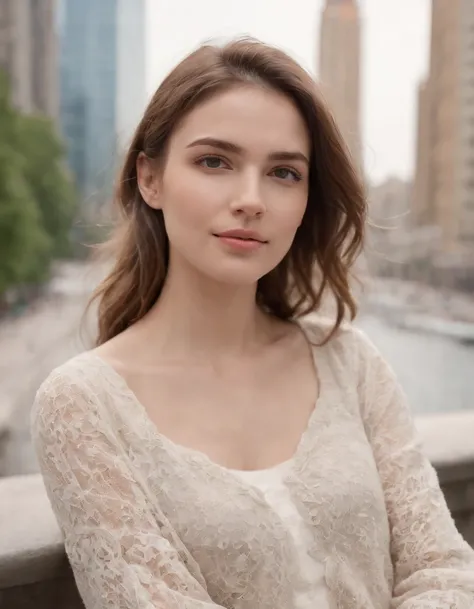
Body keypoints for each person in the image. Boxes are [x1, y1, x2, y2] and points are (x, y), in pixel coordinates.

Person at [31, 38, 474, 609]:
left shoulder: (348, 360)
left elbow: (443, 568)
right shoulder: (82, 404)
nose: (251, 199)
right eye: (214, 161)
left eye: (284, 173)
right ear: (151, 178)